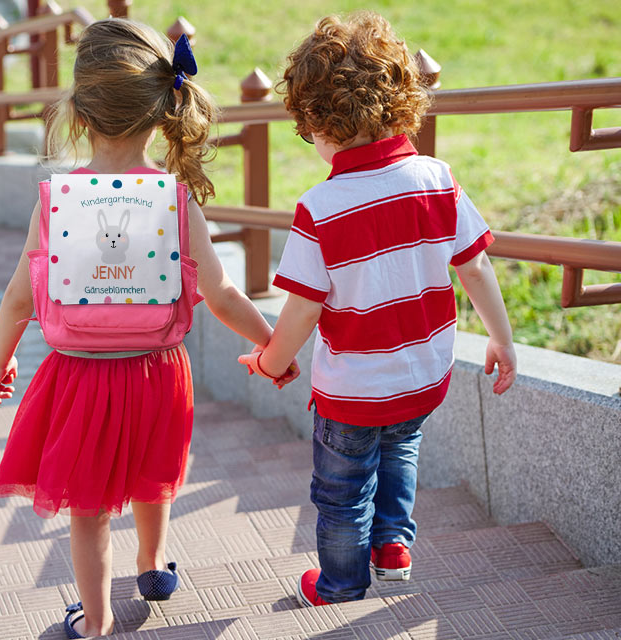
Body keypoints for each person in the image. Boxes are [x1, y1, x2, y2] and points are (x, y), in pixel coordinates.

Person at [0, 19, 296, 638]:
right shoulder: (174, 199)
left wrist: (3, 358)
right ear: (162, 111)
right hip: (158, 372)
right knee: (157, 471)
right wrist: (272, 345)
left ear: (77, 114)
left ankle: (96, 621)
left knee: (89, 507)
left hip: (78, 375)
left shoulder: (57, 199)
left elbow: (20, 297)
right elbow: (223, 294)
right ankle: (153, 565)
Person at [239, 11, 517, 606]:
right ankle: (392, 547)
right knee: (400, 452)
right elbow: (475, 265)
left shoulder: (321, 208)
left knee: (341, 491)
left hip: (353, 390)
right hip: (423, 374)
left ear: (318, 120)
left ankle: (341, 584)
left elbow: (302, 312)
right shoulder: (435, 179)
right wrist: (502, 338)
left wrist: (270, 361)